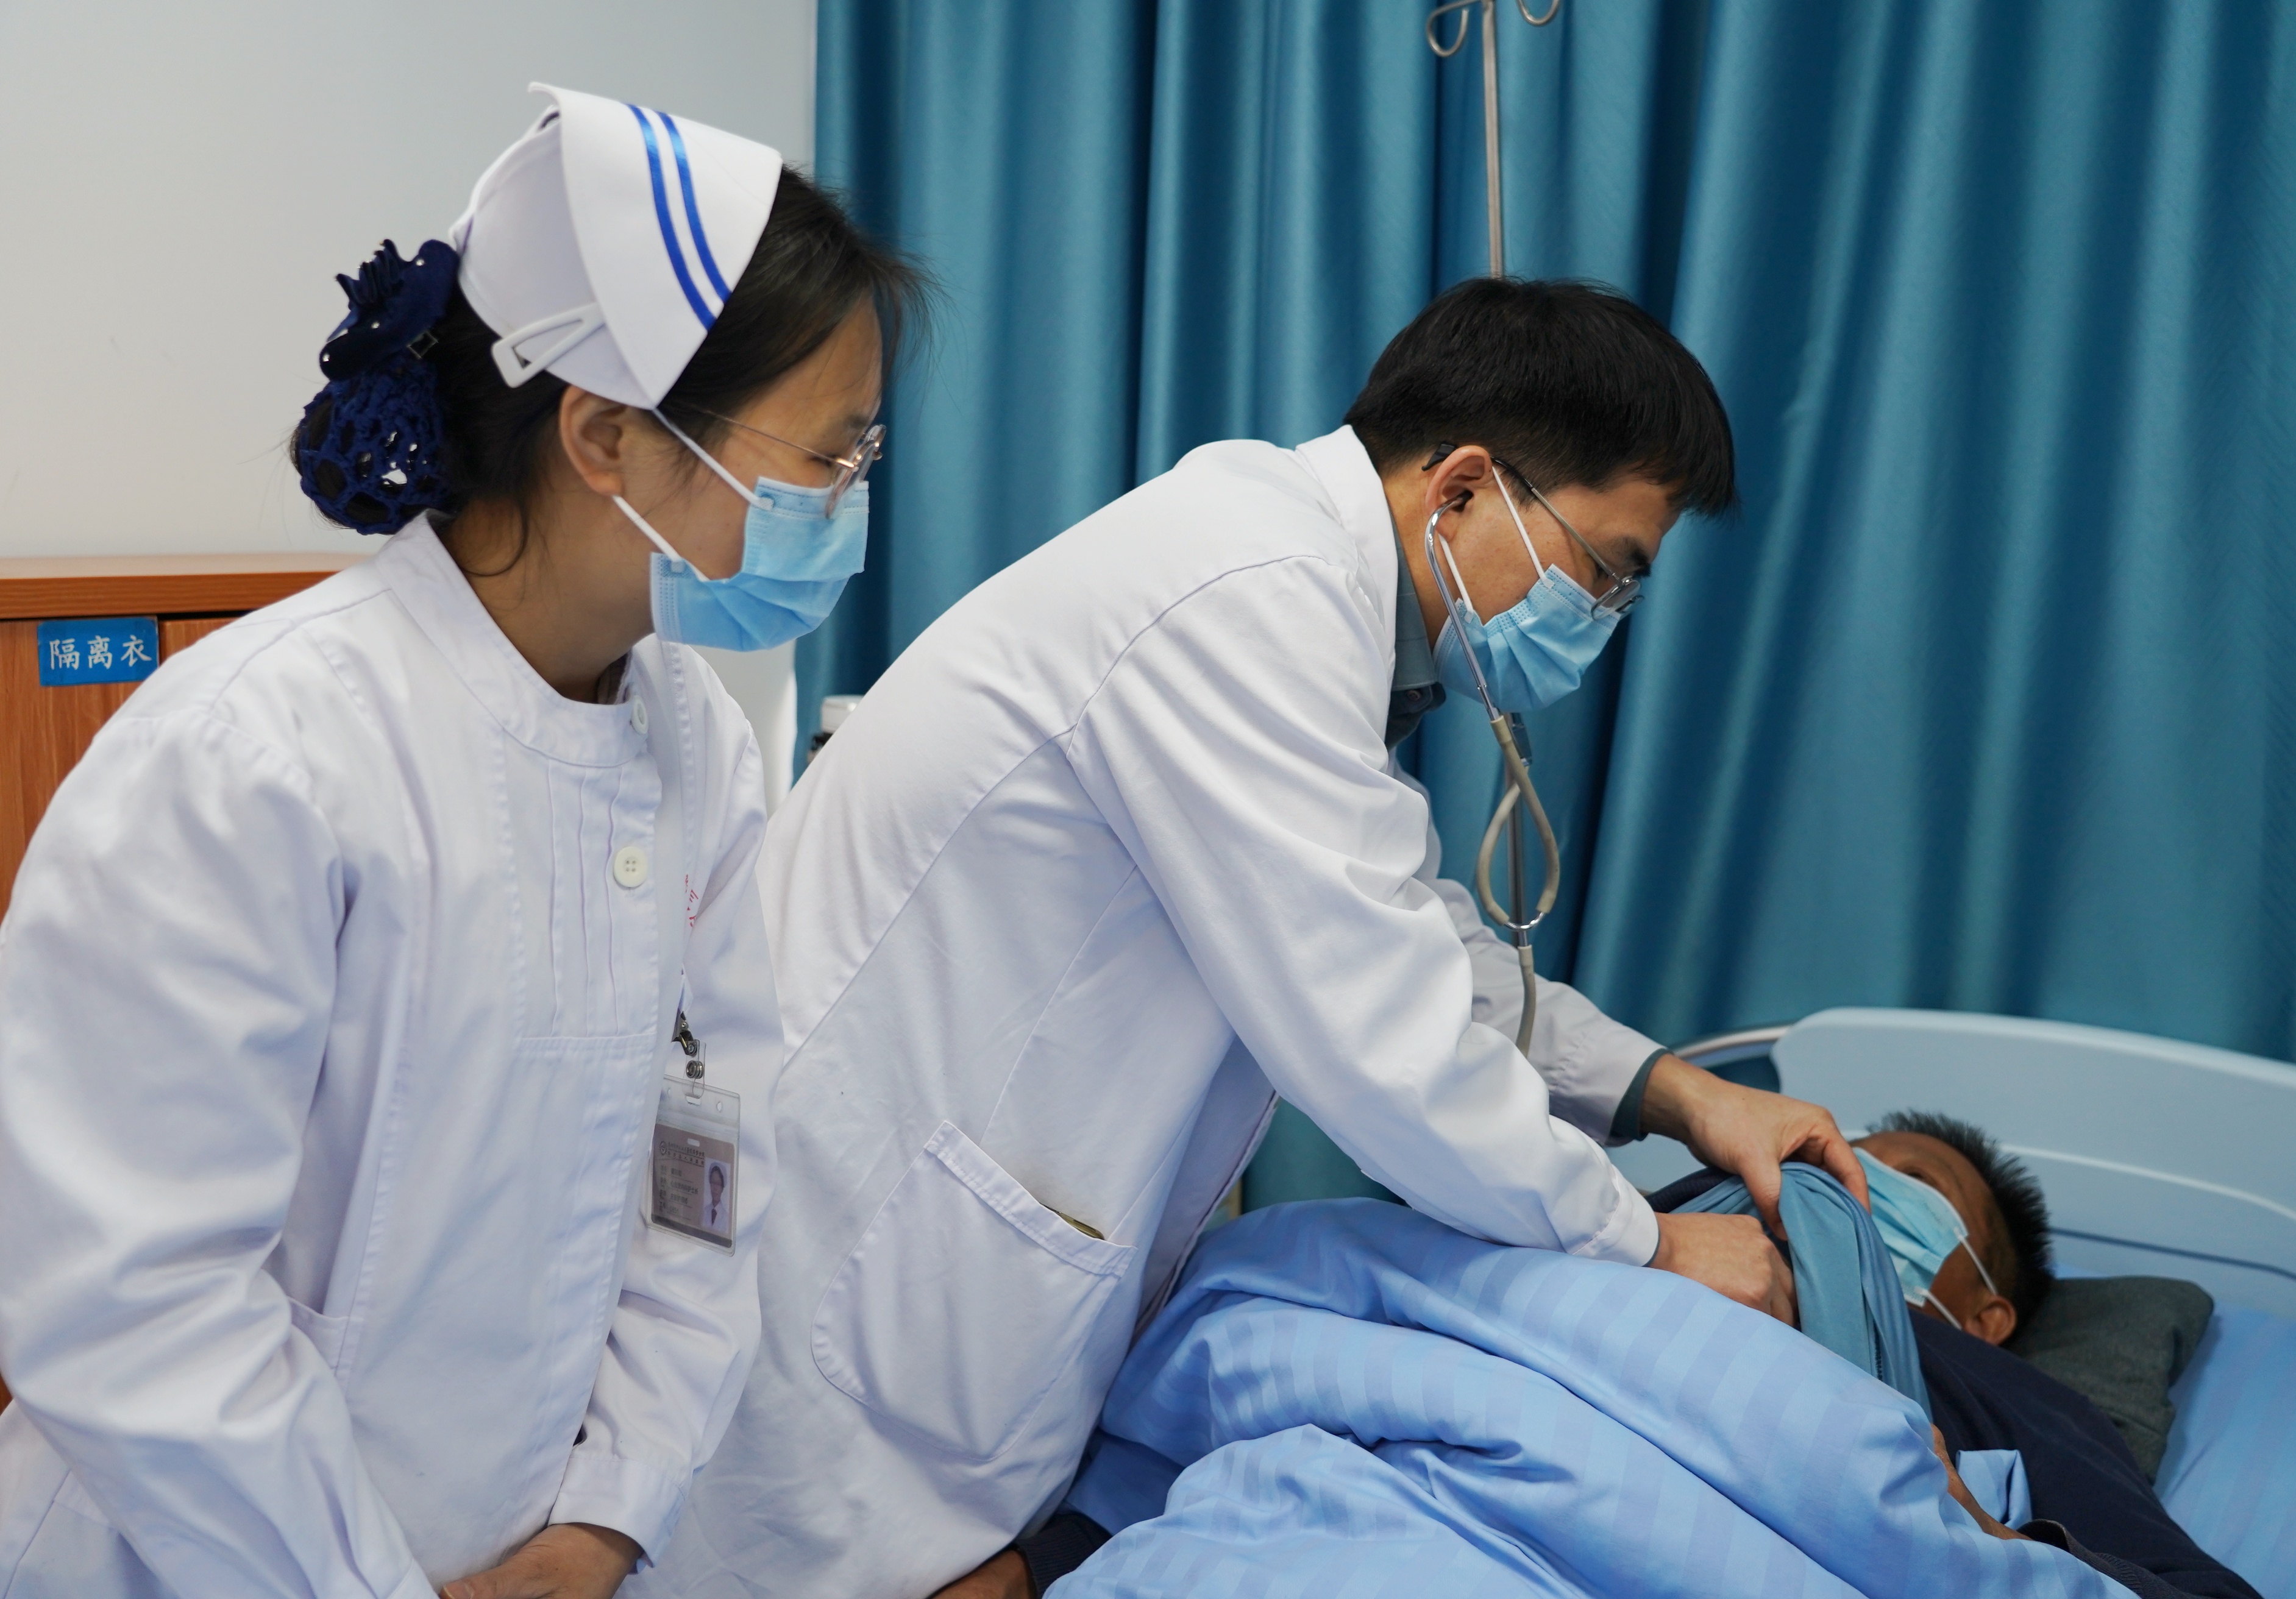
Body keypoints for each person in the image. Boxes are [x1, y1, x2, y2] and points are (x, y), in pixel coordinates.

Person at [633, 279, 1869, 1599]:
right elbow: (1385, 1043)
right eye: (1605, 569)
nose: (1602, 618)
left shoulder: (1299, 596)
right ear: (1461, 488)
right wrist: (1650, 1242)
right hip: (852, 1264)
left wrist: (1675, 1091)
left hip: (952, 1283)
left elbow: (1404, 937)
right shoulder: (1251, 593)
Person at [0, 85, 919, 1599]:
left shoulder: (696, 745)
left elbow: (702, 1181)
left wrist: (606, 1519)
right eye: (827, 457)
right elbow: (134, 1302)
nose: (844, 503)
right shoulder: (255, 754)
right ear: (608, 434)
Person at [1850, 1114, 2260, 1599]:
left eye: (1916, 1180)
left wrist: (1995, 1546)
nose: (1846, 1179)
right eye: (1837, 1157)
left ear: (1986, 1319)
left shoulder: (2021, 1404)